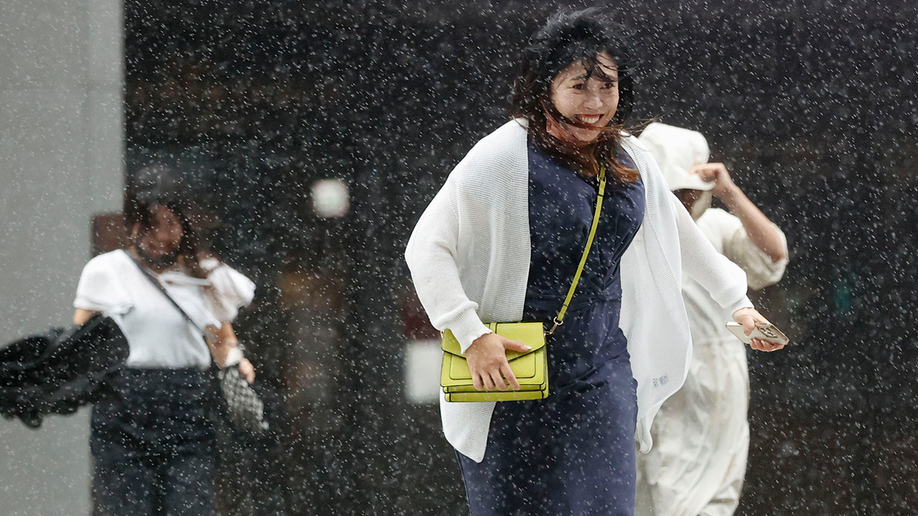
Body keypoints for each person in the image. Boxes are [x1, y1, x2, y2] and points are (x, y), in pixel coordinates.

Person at [405, 9, 785, 516]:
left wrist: (736, 303)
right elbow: (426, 247)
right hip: (512, 367)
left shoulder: (630, 156)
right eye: (579, 86)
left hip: (600, 371)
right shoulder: (502, 155)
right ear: (545, 86)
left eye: (607, 86)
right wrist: (471, 334)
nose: (595, 103)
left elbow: (677, 228)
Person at [73, 167, 256, 516]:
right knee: (128, 508)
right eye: (149, 224)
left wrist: (237, 363)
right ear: (132, 225)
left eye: (170, 223)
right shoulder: (105, 271)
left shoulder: (206, 273)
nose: (160, 235)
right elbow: (82, 343)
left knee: (189, 507)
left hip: (187, 404)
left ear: (185, 225)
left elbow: (223, 341)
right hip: (123, 404)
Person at [633, 123, 789, 516]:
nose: (684, 201)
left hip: (719, 374)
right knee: (656, 481)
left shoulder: (714, 226)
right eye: (676, 192)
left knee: (718, 487)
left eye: (691, 193)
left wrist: (729, 192)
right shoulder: (632, 229)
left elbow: (773, 258)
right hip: (655, 369)